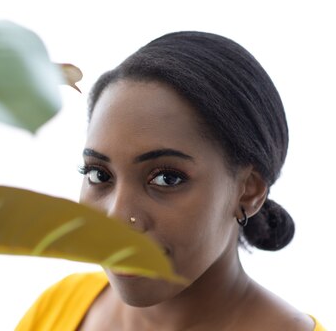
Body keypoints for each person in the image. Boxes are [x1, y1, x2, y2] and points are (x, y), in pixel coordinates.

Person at [16, 31, 326, 330]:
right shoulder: (60, 306)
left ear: (249, 190)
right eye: (100, 175)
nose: (118, 217)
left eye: (166, 178)